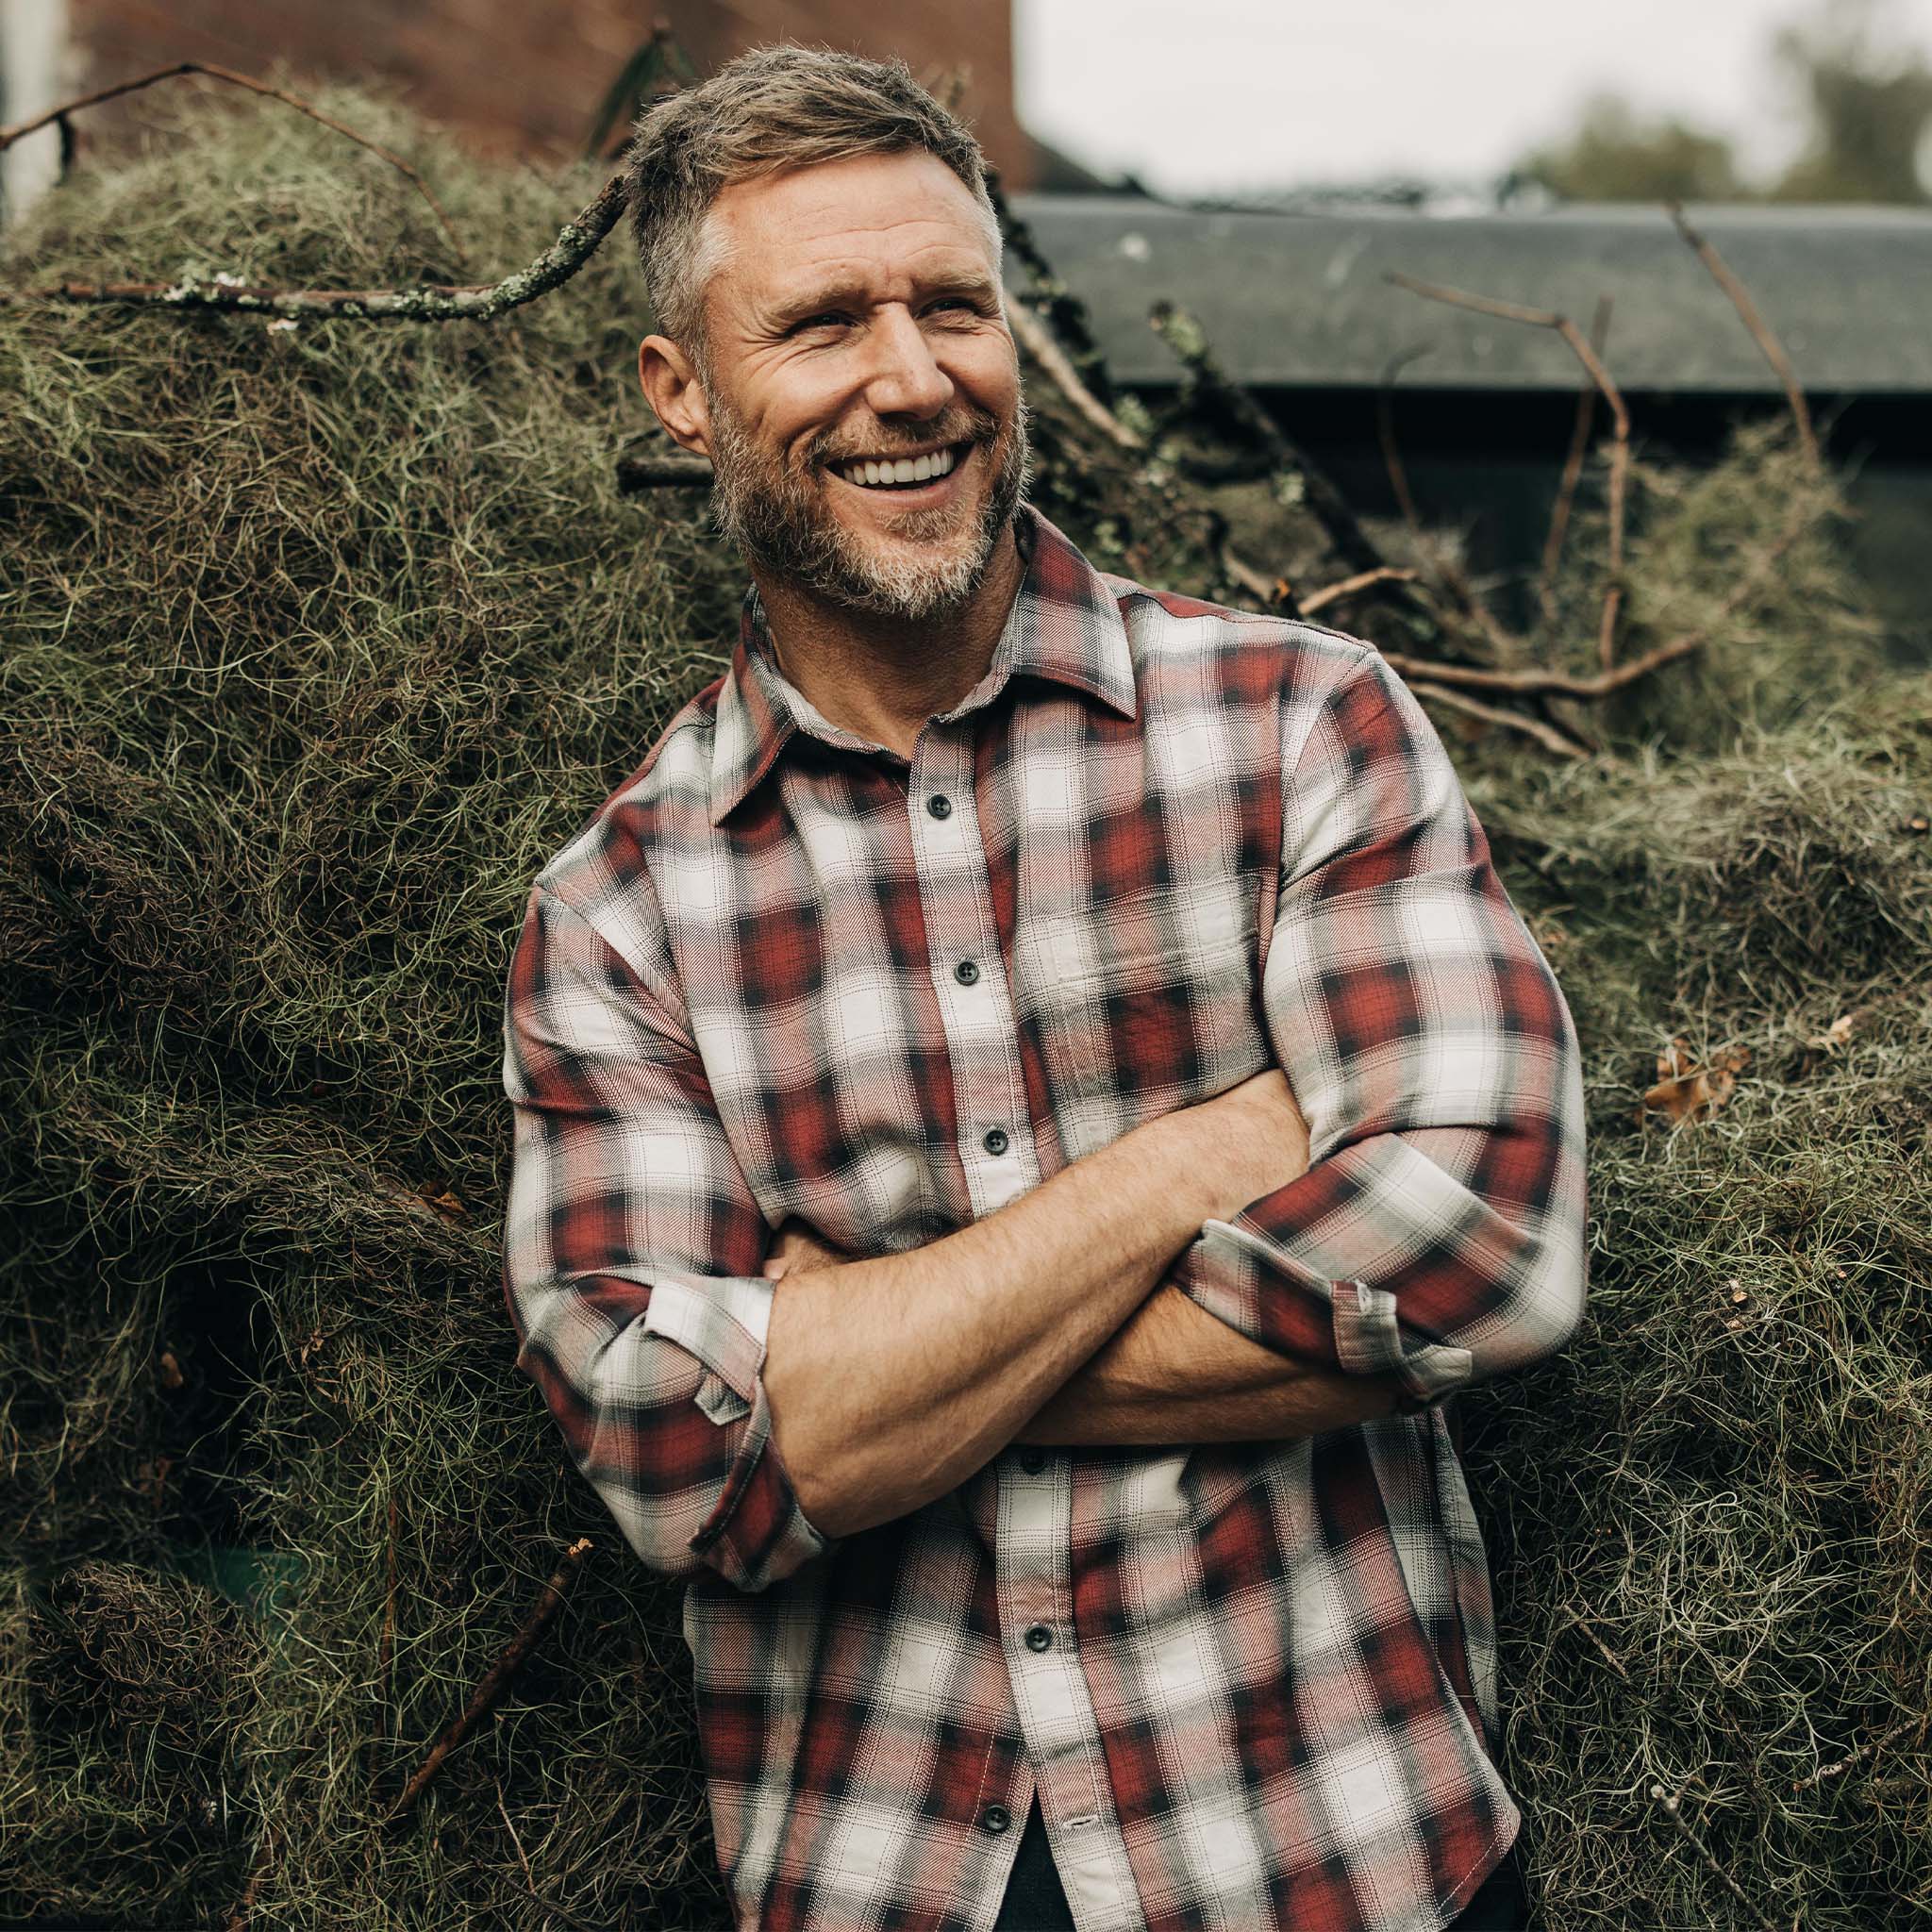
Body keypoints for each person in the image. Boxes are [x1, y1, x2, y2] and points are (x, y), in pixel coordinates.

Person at [501, 44, 1586, 1932]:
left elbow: (1486, 1247)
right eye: (822, 322)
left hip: (1336, 1848)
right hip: (879, 1869)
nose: (913, 376)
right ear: (681, 392)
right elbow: (674, 1457)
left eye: (953, 305)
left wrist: (847, 1368)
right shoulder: (620, 911)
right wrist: (1194, 1162)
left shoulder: (1301, 728)